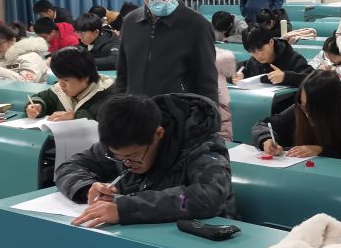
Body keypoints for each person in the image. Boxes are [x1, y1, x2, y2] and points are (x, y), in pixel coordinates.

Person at [56, 93, 236, 227]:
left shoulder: (201, 145)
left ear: (158, 134)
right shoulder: (119, 140)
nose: (126, 163)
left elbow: (210, 196)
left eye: (132, 156)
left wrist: (126, 208)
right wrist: (87, 188)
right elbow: (69, 165)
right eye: (117, 157)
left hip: (204, 241)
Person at [114, 0, 219, 106]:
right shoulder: (130, 22)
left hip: (178, 115)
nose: (166, 0)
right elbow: (122, 76)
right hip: (136, 114)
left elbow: (207, 83)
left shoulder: (197, 25)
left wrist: (208, 116)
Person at [251, 70, 341, 164]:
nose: (307, 114)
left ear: (331, 107)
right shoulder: (302, 109)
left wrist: (324, 151)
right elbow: (264, 125)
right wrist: (266, 140)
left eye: (313, 110)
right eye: (304, 105)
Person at [26, 47, 115, 121]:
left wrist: (75, 116)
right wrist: (37, 106)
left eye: (66, 80)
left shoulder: (110, 95)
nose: (61, 84)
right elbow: (41, 98)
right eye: (58, 78)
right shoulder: (60, 91)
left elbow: (108, 121)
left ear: (85, 77)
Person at [233, 24, 311, 87]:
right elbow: (234, 69)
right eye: (253, 52)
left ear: (271, 42)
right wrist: (238, 76)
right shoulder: (253, 62)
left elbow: (312, 80)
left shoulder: (293, 58)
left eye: (261, 49)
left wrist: (285, 76)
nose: (259, 56)